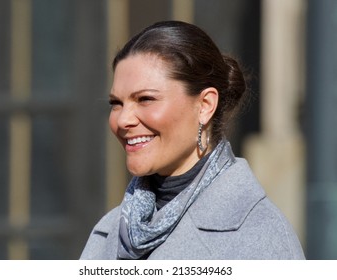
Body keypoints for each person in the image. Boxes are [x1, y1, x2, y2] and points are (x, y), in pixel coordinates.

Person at [80, 21, 305, 260]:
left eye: (145, 99)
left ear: (205, 105)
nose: (123, 119)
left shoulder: (260, 237)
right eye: (116, 104)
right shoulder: (108, 232)